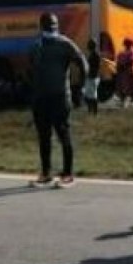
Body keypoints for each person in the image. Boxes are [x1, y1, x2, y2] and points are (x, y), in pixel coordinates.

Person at [26, 13, 87, 187]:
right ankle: (46, 174)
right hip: (41, 98)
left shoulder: (64, 44)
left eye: (53, 25)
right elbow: (30, 69)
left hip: (60, 96)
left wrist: (79, 88)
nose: (51, 28)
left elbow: (82, 63)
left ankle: (67, 174)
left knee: (63, 134)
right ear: (42, 27)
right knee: (44, 136)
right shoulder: (36, 46)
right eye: (49, 25)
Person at [115, 40, 133, 108]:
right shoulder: (130, 51)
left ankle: (126, 102)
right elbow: (132, 61)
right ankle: (127, 102)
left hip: (125, 71)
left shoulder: (124, 52)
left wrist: (122, 65)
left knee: (126, 86)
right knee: (129, 86)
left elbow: (131, 61)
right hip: (127, 71)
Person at [83, 40, 102, 115]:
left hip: (93, 77)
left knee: (93, 95)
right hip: (92, 76)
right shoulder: (93, 55)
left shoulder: (95, 55)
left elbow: (94, 67)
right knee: (90, 94)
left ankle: (94, 112)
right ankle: (91, 110)